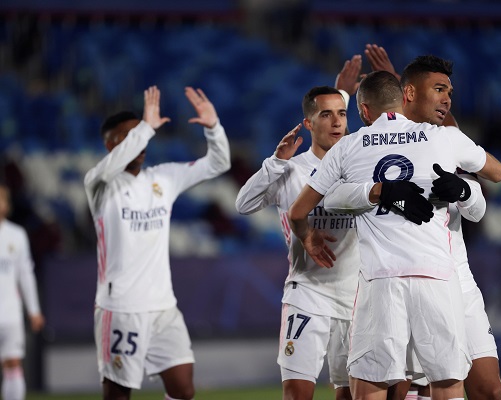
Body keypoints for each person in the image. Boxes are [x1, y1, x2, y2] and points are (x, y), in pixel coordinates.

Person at [288, 70, 501, 400]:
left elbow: (306, 209)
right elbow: (496, 174)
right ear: (405, 99)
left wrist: (314, 234)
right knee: (446, 386)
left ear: (362, 111)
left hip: (380, 281)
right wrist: (467, 189)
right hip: (437, 277)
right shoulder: (442, 137)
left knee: (371, 389)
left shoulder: (348, 146)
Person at [84, 86, 231, 400]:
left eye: (140, 133)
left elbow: (218, 164)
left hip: (163, 306)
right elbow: (112, 165)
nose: (139, 140)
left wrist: (214, 128)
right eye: (129, 135)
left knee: (183, 389)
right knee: (118, 392)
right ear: (109, 145)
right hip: (121, 307)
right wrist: (147, 127)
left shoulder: (163, 178)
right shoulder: (99, 184)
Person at [235, 86, 358, 400]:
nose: (336, 122)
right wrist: (275, 162)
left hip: (355, 298)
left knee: (349, 394)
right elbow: (243, 204)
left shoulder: (358, 168)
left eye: (342, 114)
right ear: (308, 123)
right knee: (296, 394)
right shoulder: (292, 170)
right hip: (308, 294)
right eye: (325, 114)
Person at [0, 184, 45, 400]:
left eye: (2, 199)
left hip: (9, 313)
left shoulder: (16, 235)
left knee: (13, 363)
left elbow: (26, 274)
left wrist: (34, 310)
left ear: (7, 205)